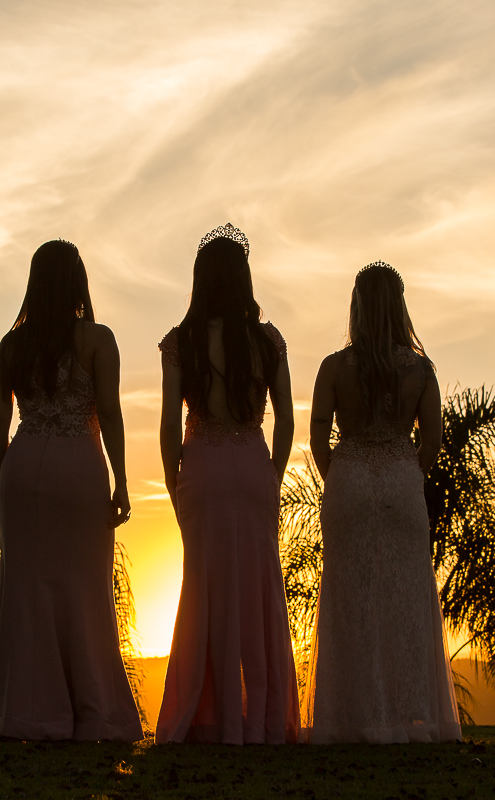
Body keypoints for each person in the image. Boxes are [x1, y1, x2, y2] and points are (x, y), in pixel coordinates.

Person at [0, 239, 143, 742]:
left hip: (23, 470)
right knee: (86, 588)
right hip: (78, 468)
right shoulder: (98, 339)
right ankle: (93, 712)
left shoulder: (10, 347)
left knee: (26, 591)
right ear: (78, 283)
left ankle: (29, 713)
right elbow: (110, 412)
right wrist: (121, 479)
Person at [303, 262, 462, 744]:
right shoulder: (420, 370)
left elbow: (317, 437)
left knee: (349, 600)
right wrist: (405, 473)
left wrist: (342, 476)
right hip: (400, 481)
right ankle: (410, 715)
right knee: (405, 600)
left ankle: (352, 717)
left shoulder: (334, 367)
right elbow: (432, 441)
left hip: (349, 480)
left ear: (356, 306)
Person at [155, 223, 300, 745]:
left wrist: (173, 479)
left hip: (202, 468)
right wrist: (272, 472)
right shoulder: (266, 341)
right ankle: (261, 720)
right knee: (260, 592)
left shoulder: (182, 343)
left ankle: (204, 717)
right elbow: (286, 419)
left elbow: (169, 424)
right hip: (252, 466)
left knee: (203, 589)